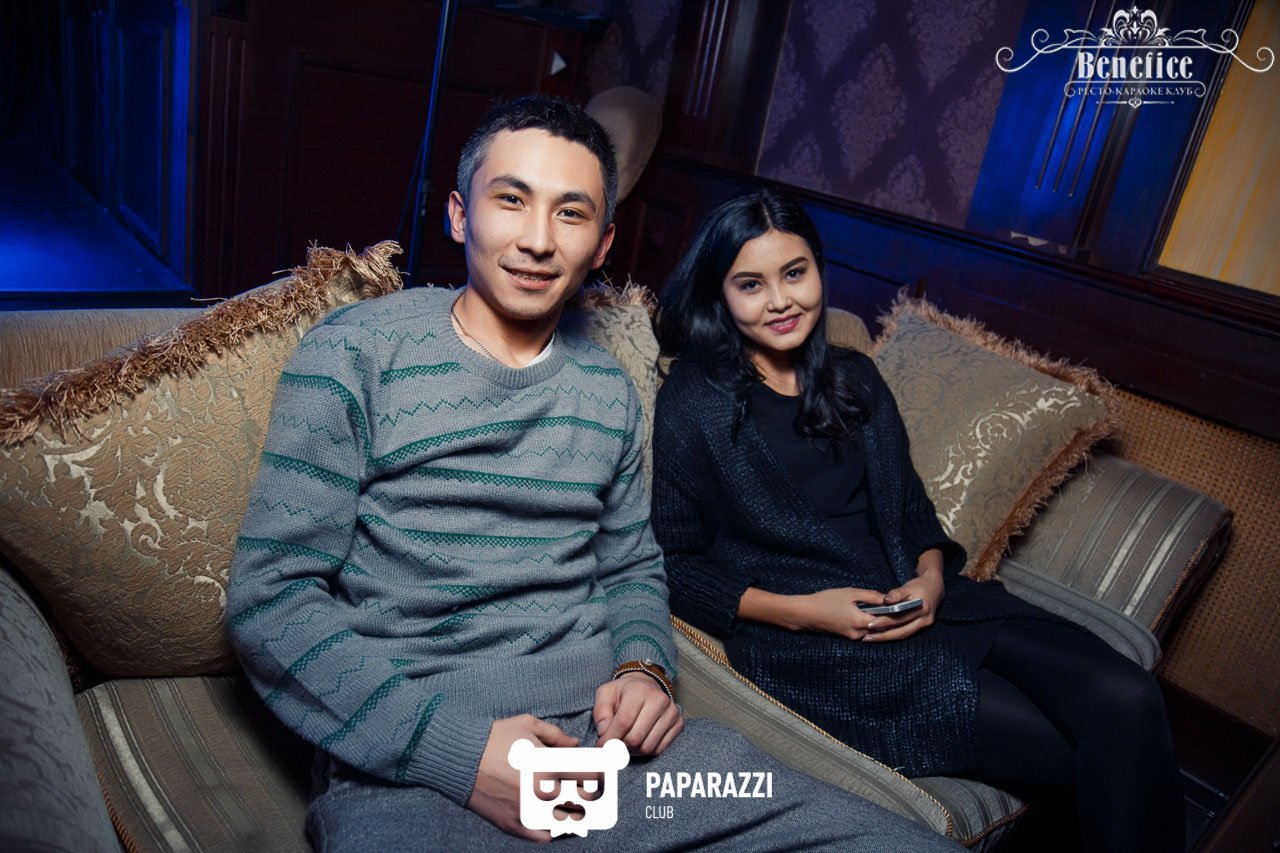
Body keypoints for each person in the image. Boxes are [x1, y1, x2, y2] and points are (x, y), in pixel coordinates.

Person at [228, 95, 961, 852]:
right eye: (511, 200)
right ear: (458, 214)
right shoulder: (354, 352)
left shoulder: (607, 389)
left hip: (625, 758)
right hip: (419, 765)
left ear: (603, 242)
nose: (538, 240)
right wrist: (457, 753)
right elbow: (270, 599)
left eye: (571, 213)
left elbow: (633, 567)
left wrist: (644, 668)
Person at [651, 189, 1184, 853]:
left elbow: (909, 508)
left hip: (931, 599)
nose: (781, 300)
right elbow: (673, 563)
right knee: (1073, 753)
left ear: (818, 269)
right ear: (720, 294)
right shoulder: (694, 403)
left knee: (1128, 696)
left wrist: (931, 577)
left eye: (794, 273)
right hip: (824, 647)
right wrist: (805, 613)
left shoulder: (854, 376)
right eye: (751, 284)